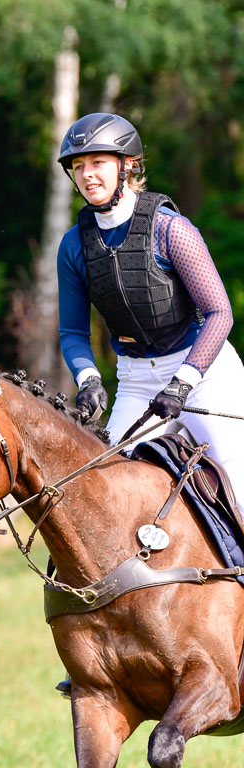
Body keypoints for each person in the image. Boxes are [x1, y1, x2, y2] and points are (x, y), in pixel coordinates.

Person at [55, 110, 244, 698]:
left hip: (204, 368)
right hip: (135, 379)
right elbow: (71, 333)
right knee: (102, 499)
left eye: (98, 164)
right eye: (79, 167)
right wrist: (88, 379)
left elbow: (220, 314)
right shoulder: (74, 245)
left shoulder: (170, 230)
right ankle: (106, 645)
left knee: (238, 483)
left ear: (127, 166)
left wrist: (186, 381)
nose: (88, 177)